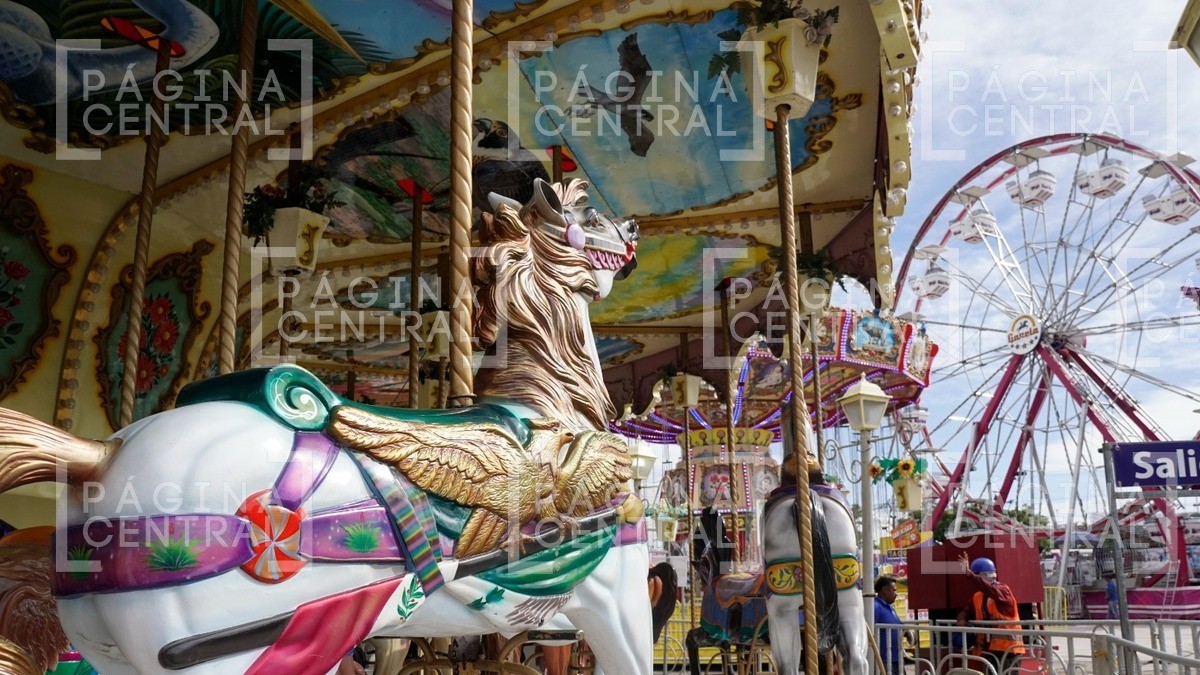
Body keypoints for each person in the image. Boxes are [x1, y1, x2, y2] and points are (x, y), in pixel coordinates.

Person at [956, 554, 1026, 673]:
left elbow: (989, 589)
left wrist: (970, 575)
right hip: (988, 648)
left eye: (977, 576)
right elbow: (966, 610)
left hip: (1008, 650)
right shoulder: (977, 596)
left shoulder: (1003, 590)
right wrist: (961, 622)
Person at [874, 575, 905, 675]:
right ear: (884, 590)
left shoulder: (890, 607)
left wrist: (907, 633)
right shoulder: (875, 607)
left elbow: (898, 623)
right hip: (884, 659)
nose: (896, 594)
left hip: (896, 657)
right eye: (894, 590)